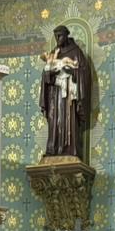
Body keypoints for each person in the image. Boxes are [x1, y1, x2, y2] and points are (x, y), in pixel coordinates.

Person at [39, 24, 91, 158]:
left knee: (68, 120)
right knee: (54, 120)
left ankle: (70, 148)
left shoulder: (76, 52)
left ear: (66, 35)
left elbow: (83, 72)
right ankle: (53, 148)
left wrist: (72, 71)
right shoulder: (54, 53)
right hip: (55, 95)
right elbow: (46, 74)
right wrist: (49, 72)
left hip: (69, 94)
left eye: (60, 35)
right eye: (56, 36)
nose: (58, 38)